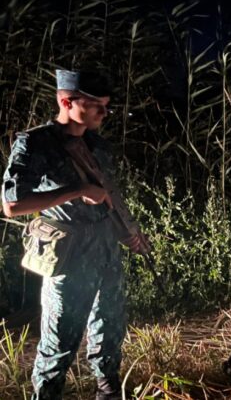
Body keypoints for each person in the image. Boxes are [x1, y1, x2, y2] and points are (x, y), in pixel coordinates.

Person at [2, 68, 144, 399]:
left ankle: (108, 390)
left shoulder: (97, 144)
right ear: (67, 101)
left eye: (107, 105)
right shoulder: (35, 143)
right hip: (68, 255)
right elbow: (11, 205)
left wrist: (128, 231)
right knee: (60, 340)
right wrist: (75, 190)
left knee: (109, 328)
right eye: (97, 105)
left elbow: (109, 192)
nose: (105, 113)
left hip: (106, 247)